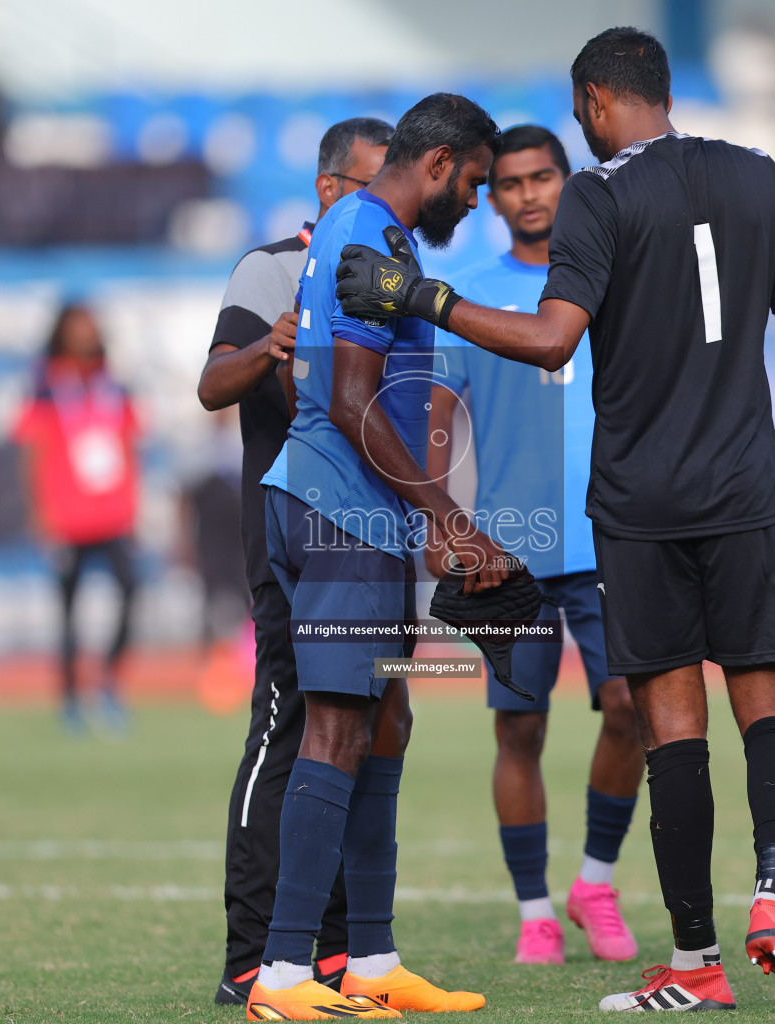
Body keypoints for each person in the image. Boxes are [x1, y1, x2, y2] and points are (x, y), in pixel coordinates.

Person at [336, 28, 775, 1012]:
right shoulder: (760, 179)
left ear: (600, 103)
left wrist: (424, 294)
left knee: (670, 719)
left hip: (641, 506)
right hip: (745, 492)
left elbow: (553, 335)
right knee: (767, 700)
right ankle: (774, 894)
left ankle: (696, 964)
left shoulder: (600, 195)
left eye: (577, 118)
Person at [248, 92, 505, 1020]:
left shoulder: (359, 232)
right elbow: (353, 395)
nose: (474, 201)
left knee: (386, 716)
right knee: (336, 729)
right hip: (343, 515)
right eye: (473, 181)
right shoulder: (371, 238)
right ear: (437, 166)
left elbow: (315, 376)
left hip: (349, 510)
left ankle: (370, 961)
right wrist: (446, 515)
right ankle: (282, 977)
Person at [424, 125, 643, 966]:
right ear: (497, 193)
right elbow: (438, 416)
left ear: (566, 180)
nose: (527, 194)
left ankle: (595, 880)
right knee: (519, 733)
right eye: (510, 182)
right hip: (508, 549)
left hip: (612, 536)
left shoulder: (609, 280)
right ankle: (535, 912)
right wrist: (445, 519)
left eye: (542, 177)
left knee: (629, 706)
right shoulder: (468, 292)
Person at [195, 116, 392, 1006]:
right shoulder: (266, 266)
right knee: (288, 723)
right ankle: (250, 951)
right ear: (329, 188)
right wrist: (266, 347)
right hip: (288, 538)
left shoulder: (394, 275)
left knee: (363, 727)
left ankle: (339, 950)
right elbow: (210, 385)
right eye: (374, 184)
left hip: (374, 537)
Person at [13, 302, 140, 733]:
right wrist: (39, 511)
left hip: (112, 514)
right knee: (68, 610)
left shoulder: (114, 385)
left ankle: (108, 682)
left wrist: (134, 505)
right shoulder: (45, 385)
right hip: (66, 518)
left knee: (131, 590)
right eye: (77, 327)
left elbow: (129, 445)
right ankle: (70, 699)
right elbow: (33, 448)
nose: (85, 335)